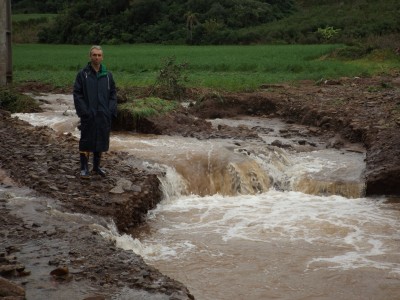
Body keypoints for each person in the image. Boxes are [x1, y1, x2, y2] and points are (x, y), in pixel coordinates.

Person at [73, 45, 117, 179]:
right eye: (94, 55)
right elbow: (77, 94)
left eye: (99, 55)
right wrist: (84, 112)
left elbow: (113, 94)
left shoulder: (108, 75)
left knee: (101, 140)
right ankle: (84, 168)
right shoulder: (83, 74)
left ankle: (96, 167)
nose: (96, 57)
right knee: (86, 140)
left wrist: (109, 111)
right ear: (90, 56)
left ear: (102, 57)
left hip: (103, 114)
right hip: (89, 114)